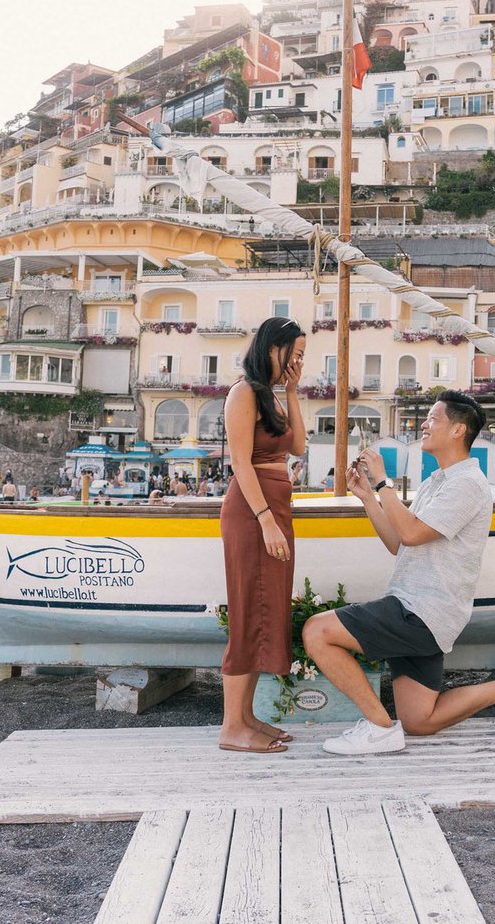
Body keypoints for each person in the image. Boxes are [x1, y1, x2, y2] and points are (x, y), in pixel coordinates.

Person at [302, 391, 495, 755]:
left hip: (422, 610)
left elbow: (412, 533)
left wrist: (383, 482)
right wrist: (369, 497)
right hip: (418, 607)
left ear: (458, 430)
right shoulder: (436, 482)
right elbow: (400, 542)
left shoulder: (467, 484)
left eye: (434, 419)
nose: (425, 425)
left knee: (316, 631)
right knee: (419, 721)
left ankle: (379, 728)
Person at [217, 316, 306, 754]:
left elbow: (298, 448)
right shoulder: (243, 392)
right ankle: (231, 727)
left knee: (265, 610)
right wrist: (266, 519)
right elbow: (240, 462)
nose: (300, 362)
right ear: (275, 348)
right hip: (254, 511)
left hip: (275, 506)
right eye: (297, 353)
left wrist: (292, 391)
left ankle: (247, 718)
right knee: (248, 611)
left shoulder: (270, 396)